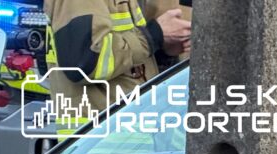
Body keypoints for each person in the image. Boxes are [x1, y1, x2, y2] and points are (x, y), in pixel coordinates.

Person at [43, 0, 192, 120]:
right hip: (96, 143)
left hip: (124, 138)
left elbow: (131, 62)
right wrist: (153, 36)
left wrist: (162, 49)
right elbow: (83, 64)